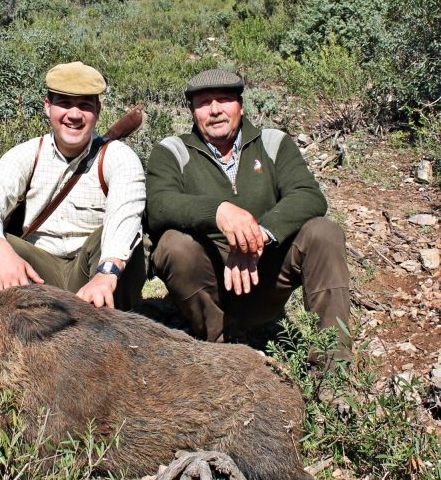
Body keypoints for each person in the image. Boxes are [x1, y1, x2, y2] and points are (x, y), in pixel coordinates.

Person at [146, 68, 351, 363]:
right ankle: (218, 345)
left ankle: (332, 370)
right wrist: (218, 212)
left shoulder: (272, 143)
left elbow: (308, 195)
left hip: (265, 275)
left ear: (241, 106)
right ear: (192, 111)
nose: (215, 110)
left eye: (224, 100)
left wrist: (258, 236)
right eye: (204, 102)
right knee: (172, 244)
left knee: (324, 232)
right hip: (208, 281)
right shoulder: (172, 151)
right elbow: (159, 205)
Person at [0, 61, 146, 310]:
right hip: (40, 272)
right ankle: (23, 328)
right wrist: (1, 251)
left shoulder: (117, 157)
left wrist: (107, 272)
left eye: (84, 105)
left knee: (129, 245)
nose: (74, 115)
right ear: (47, 107)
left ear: (98, 111)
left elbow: (125, 215)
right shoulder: (28, 154)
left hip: (93, 269)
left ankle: (106, 332)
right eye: (64, 103)